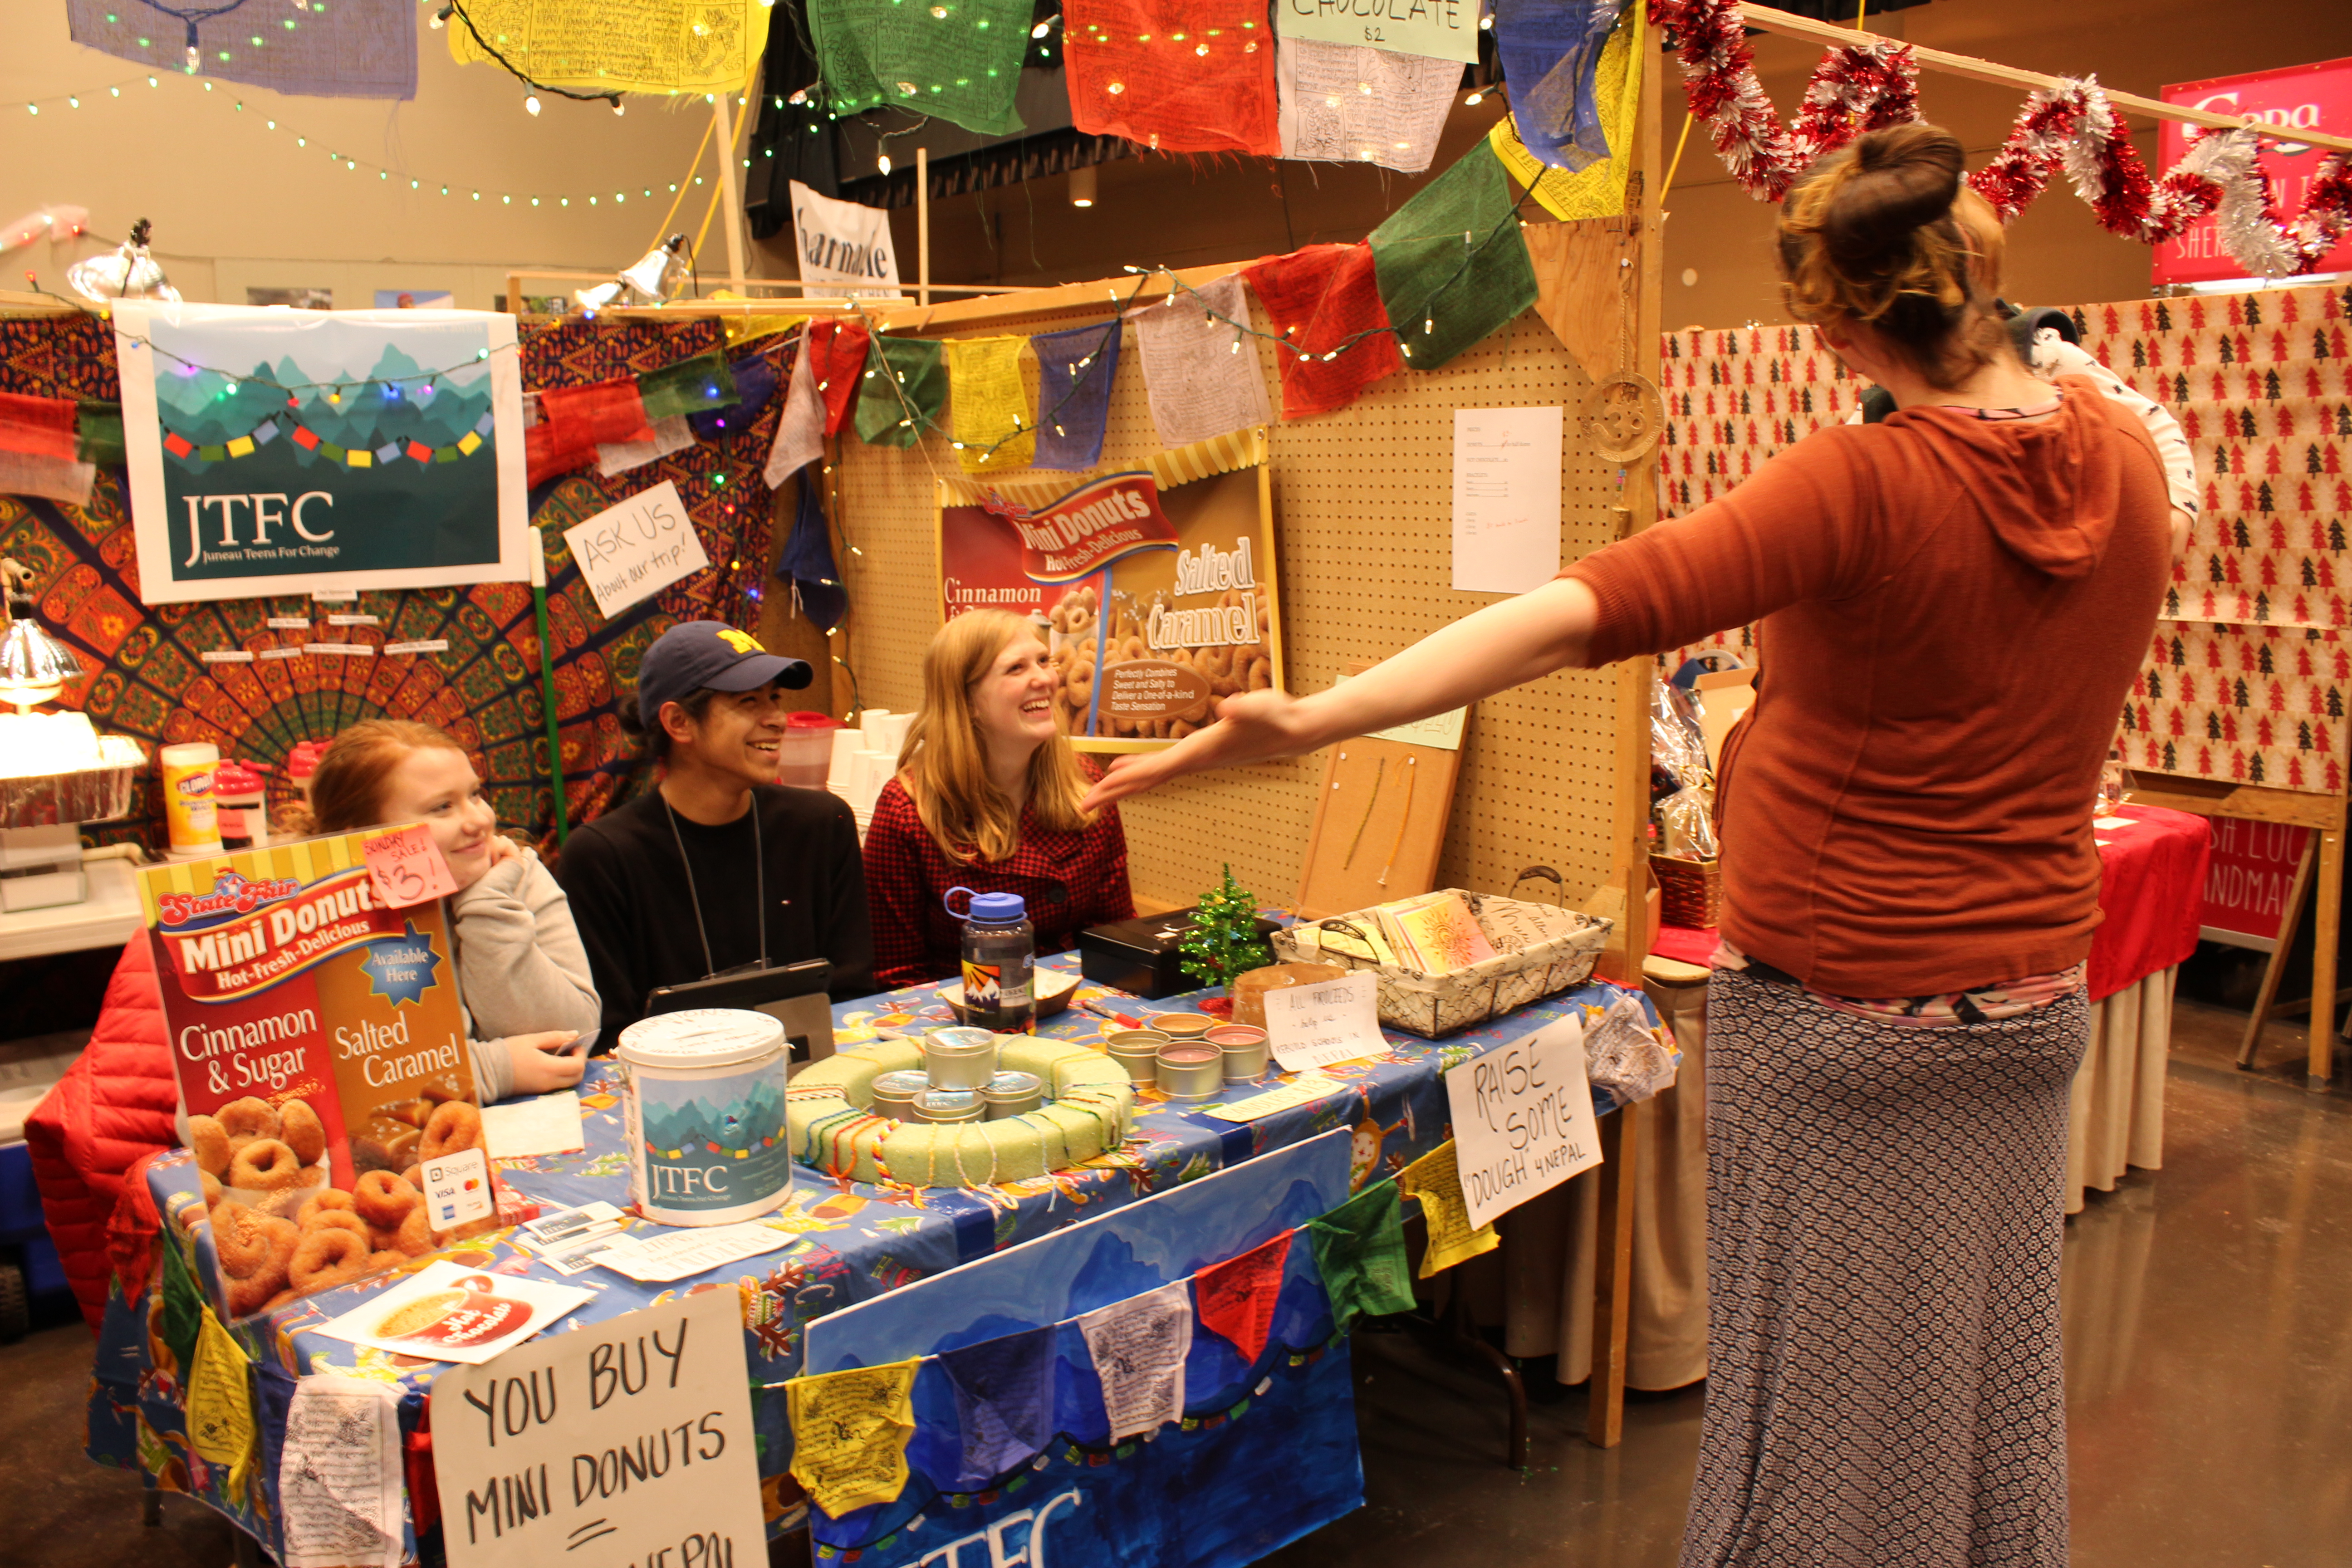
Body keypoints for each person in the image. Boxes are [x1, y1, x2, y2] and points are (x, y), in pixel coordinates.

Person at [1085, 124, 2170, 1568]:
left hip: (1846, 1017)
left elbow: (1587, 607)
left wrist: (1317, 717)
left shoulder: (1868, 485)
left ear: (1842, 315)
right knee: (1981, 1392)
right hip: (2028, 1008)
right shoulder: (2124, 461)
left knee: (1823, 1428)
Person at [556, 620, 874, 1039]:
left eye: (775, 698)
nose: (777, 718)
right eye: (748, 702)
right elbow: (611, 1035)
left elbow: (852, 1000)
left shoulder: (821, 825)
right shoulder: (604, 857)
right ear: (679, 723)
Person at [307, 720, 598, 1100]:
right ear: (362, 833)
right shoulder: (323, 916)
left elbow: (570, 1037)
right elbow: (361, 1081)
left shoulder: (515, 873)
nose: (480, 820)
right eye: (442, 807)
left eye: (475, 795)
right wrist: (493, 1070)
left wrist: (486, 904)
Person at [862, 610, 1134, 988]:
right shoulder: (909, 809)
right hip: (964, 1022)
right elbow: (897, 976)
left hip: (1078, 1008)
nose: (1045, 679)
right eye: (1016, 669)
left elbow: (1117, 938)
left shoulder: (1084, 781)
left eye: (1043, 661)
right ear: (968, 702)